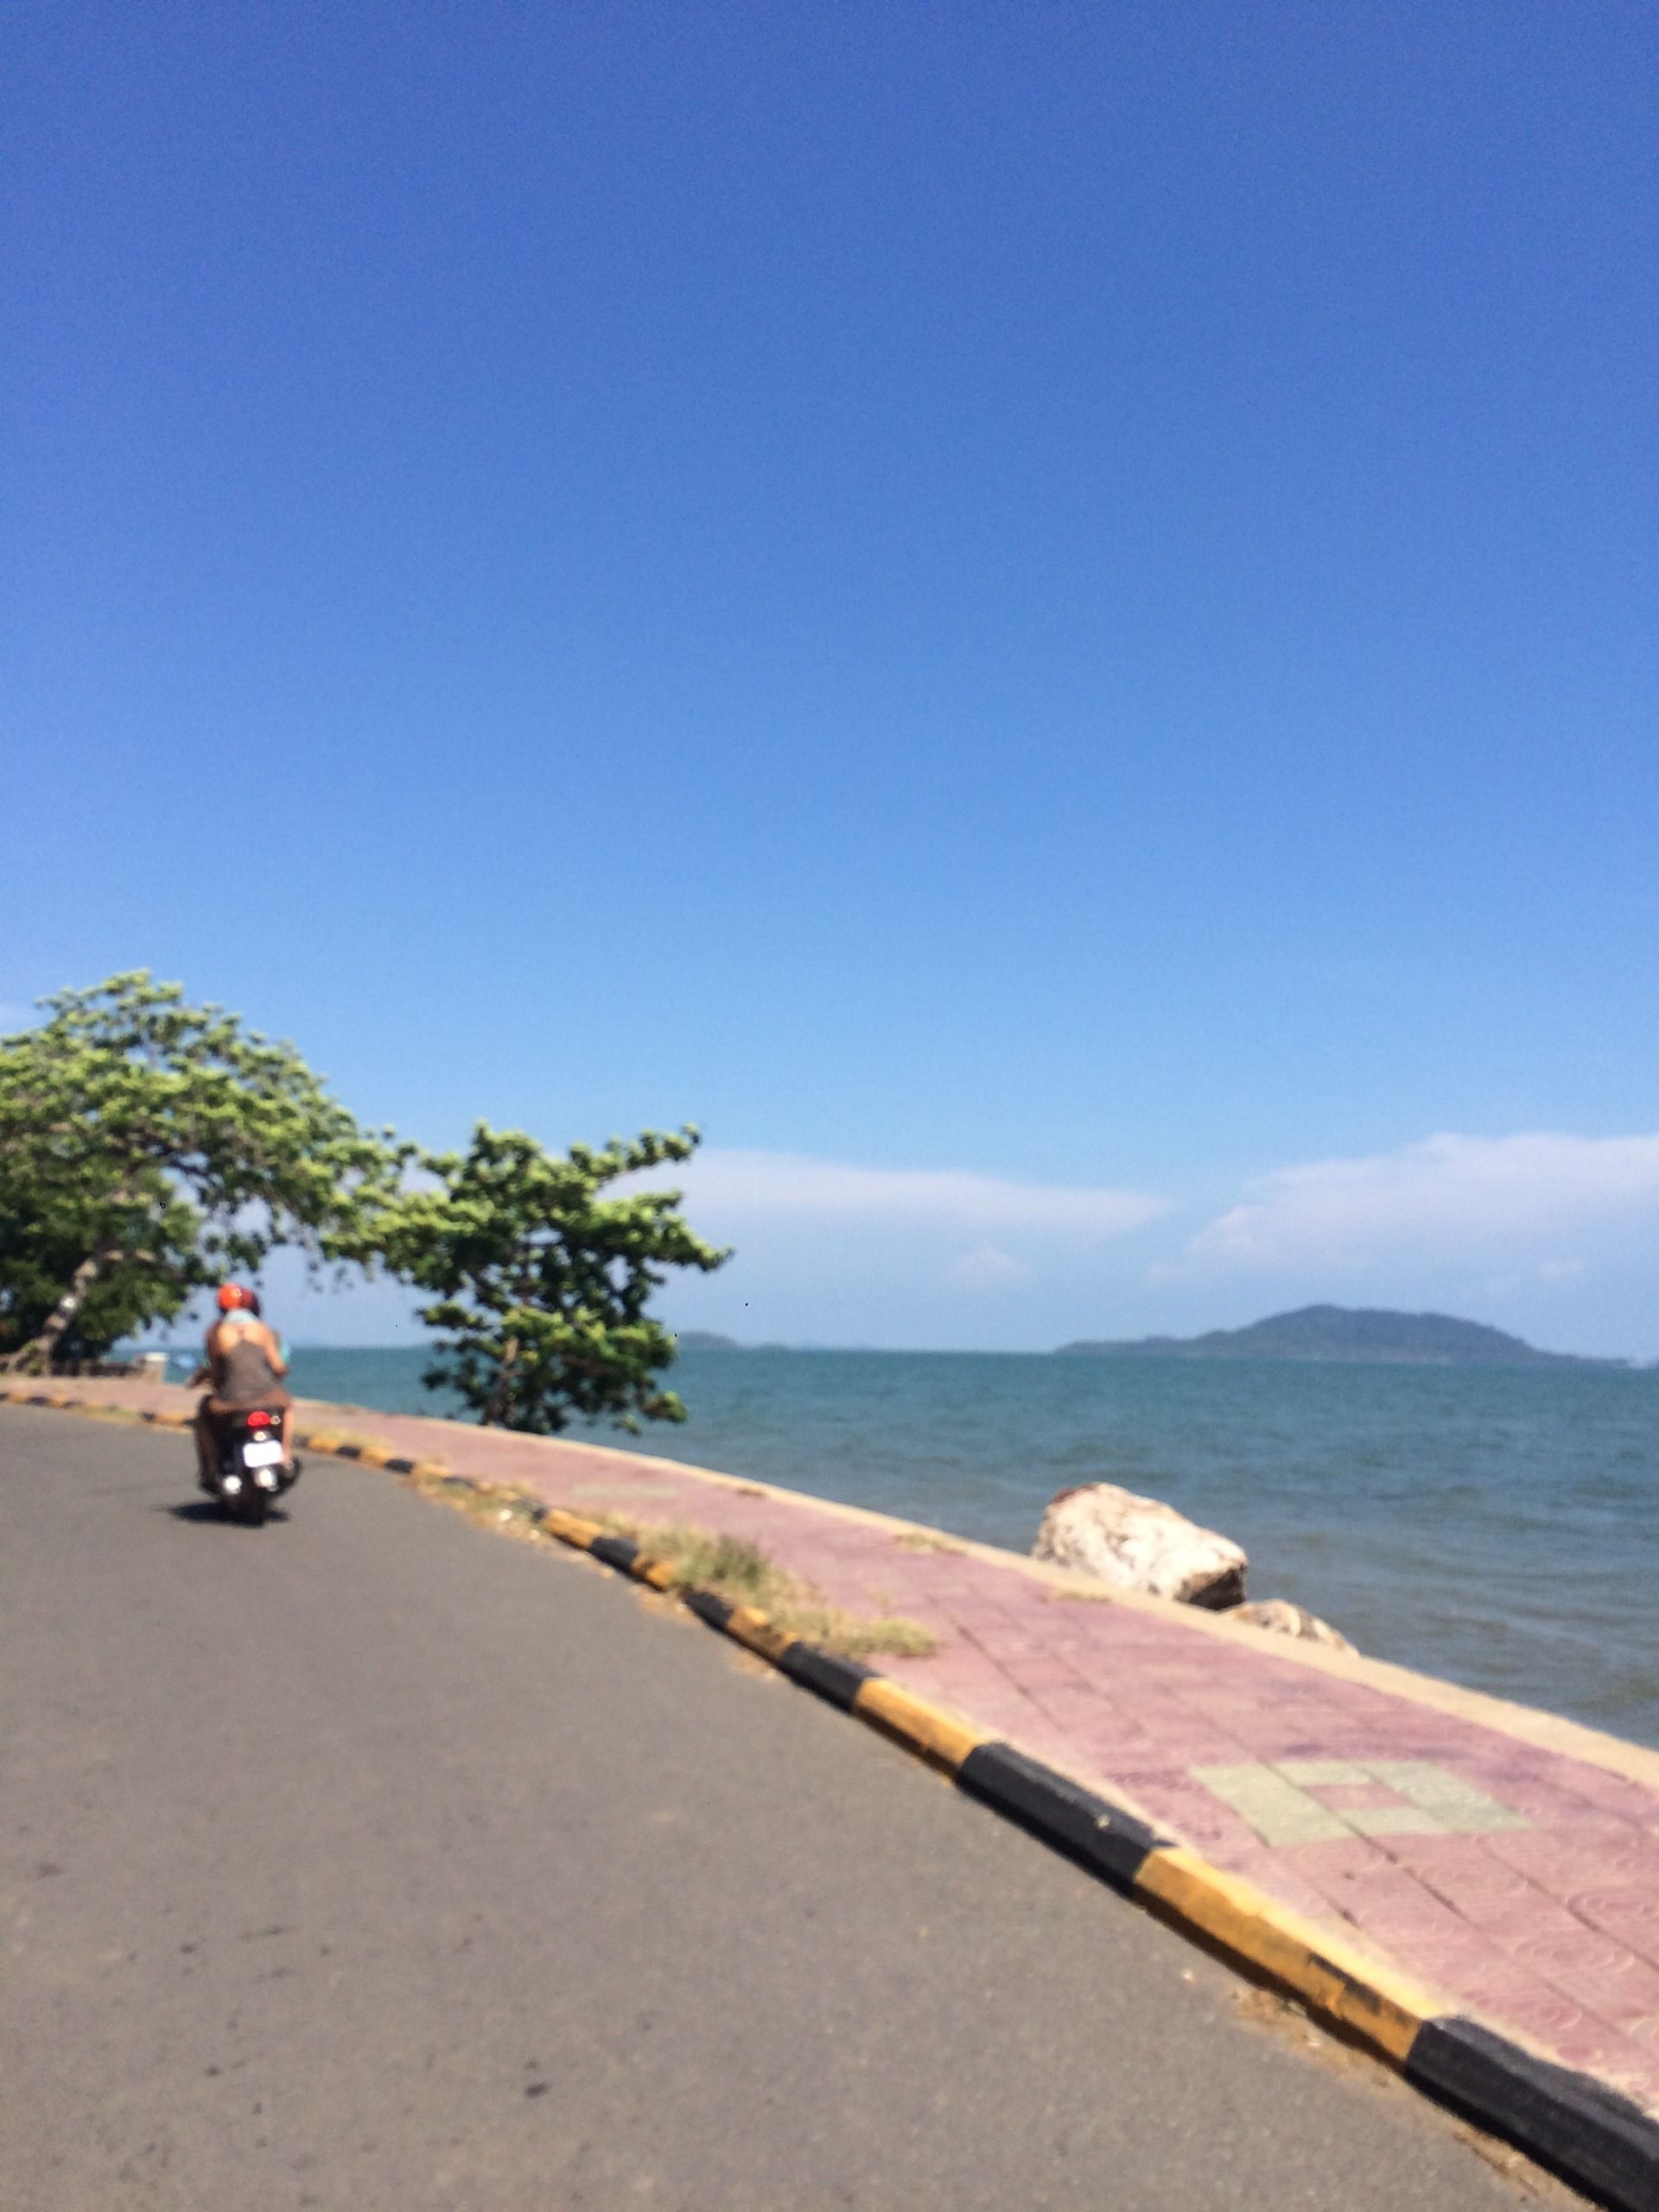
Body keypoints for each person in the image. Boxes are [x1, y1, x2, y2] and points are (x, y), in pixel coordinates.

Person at [190, 1284, 295, 1491]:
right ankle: (285, 1454)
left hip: (231, 1399)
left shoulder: (216, 1333)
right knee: (288, 1406)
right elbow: (279, 1367)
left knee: (204, 1414)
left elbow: (217, 1372)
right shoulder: (263, 1330)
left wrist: (210, 1379)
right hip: (266, 1395)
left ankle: (211, 1470)